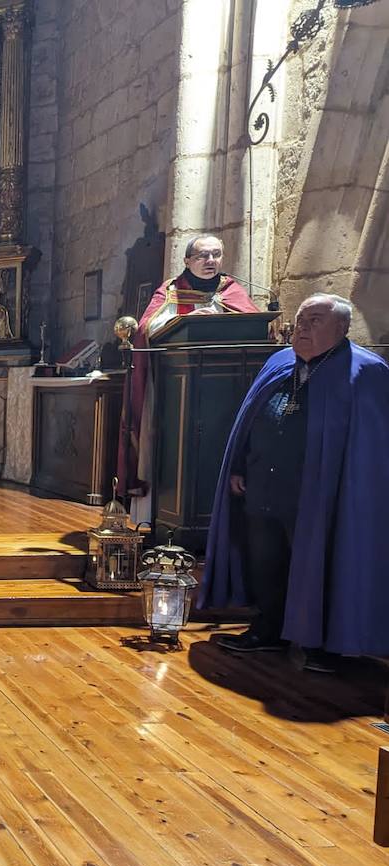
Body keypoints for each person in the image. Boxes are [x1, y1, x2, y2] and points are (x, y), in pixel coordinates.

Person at [201, 294, 389, 673]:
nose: (302, 327)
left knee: (321, 564)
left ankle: (324, 646)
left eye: (315, 321)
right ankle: (270, 629)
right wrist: (239, 466)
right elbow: (249, 421)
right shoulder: (279, 363)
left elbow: (371, 447)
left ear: (342, 329)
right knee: (266, 561)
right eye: (301, 320)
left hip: (323, 494)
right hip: (264, 486)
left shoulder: (366, 372)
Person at [118, 235, 259, 519]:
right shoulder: (170, 291)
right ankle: (161, 515)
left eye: (216, 255)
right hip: (175, 387)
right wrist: (186, 320)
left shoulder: (231, 290)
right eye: (202, 256)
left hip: (224, 388)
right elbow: (147, 328)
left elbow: (253, 324)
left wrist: (218, 315)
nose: (210, 261)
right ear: (186, 261)